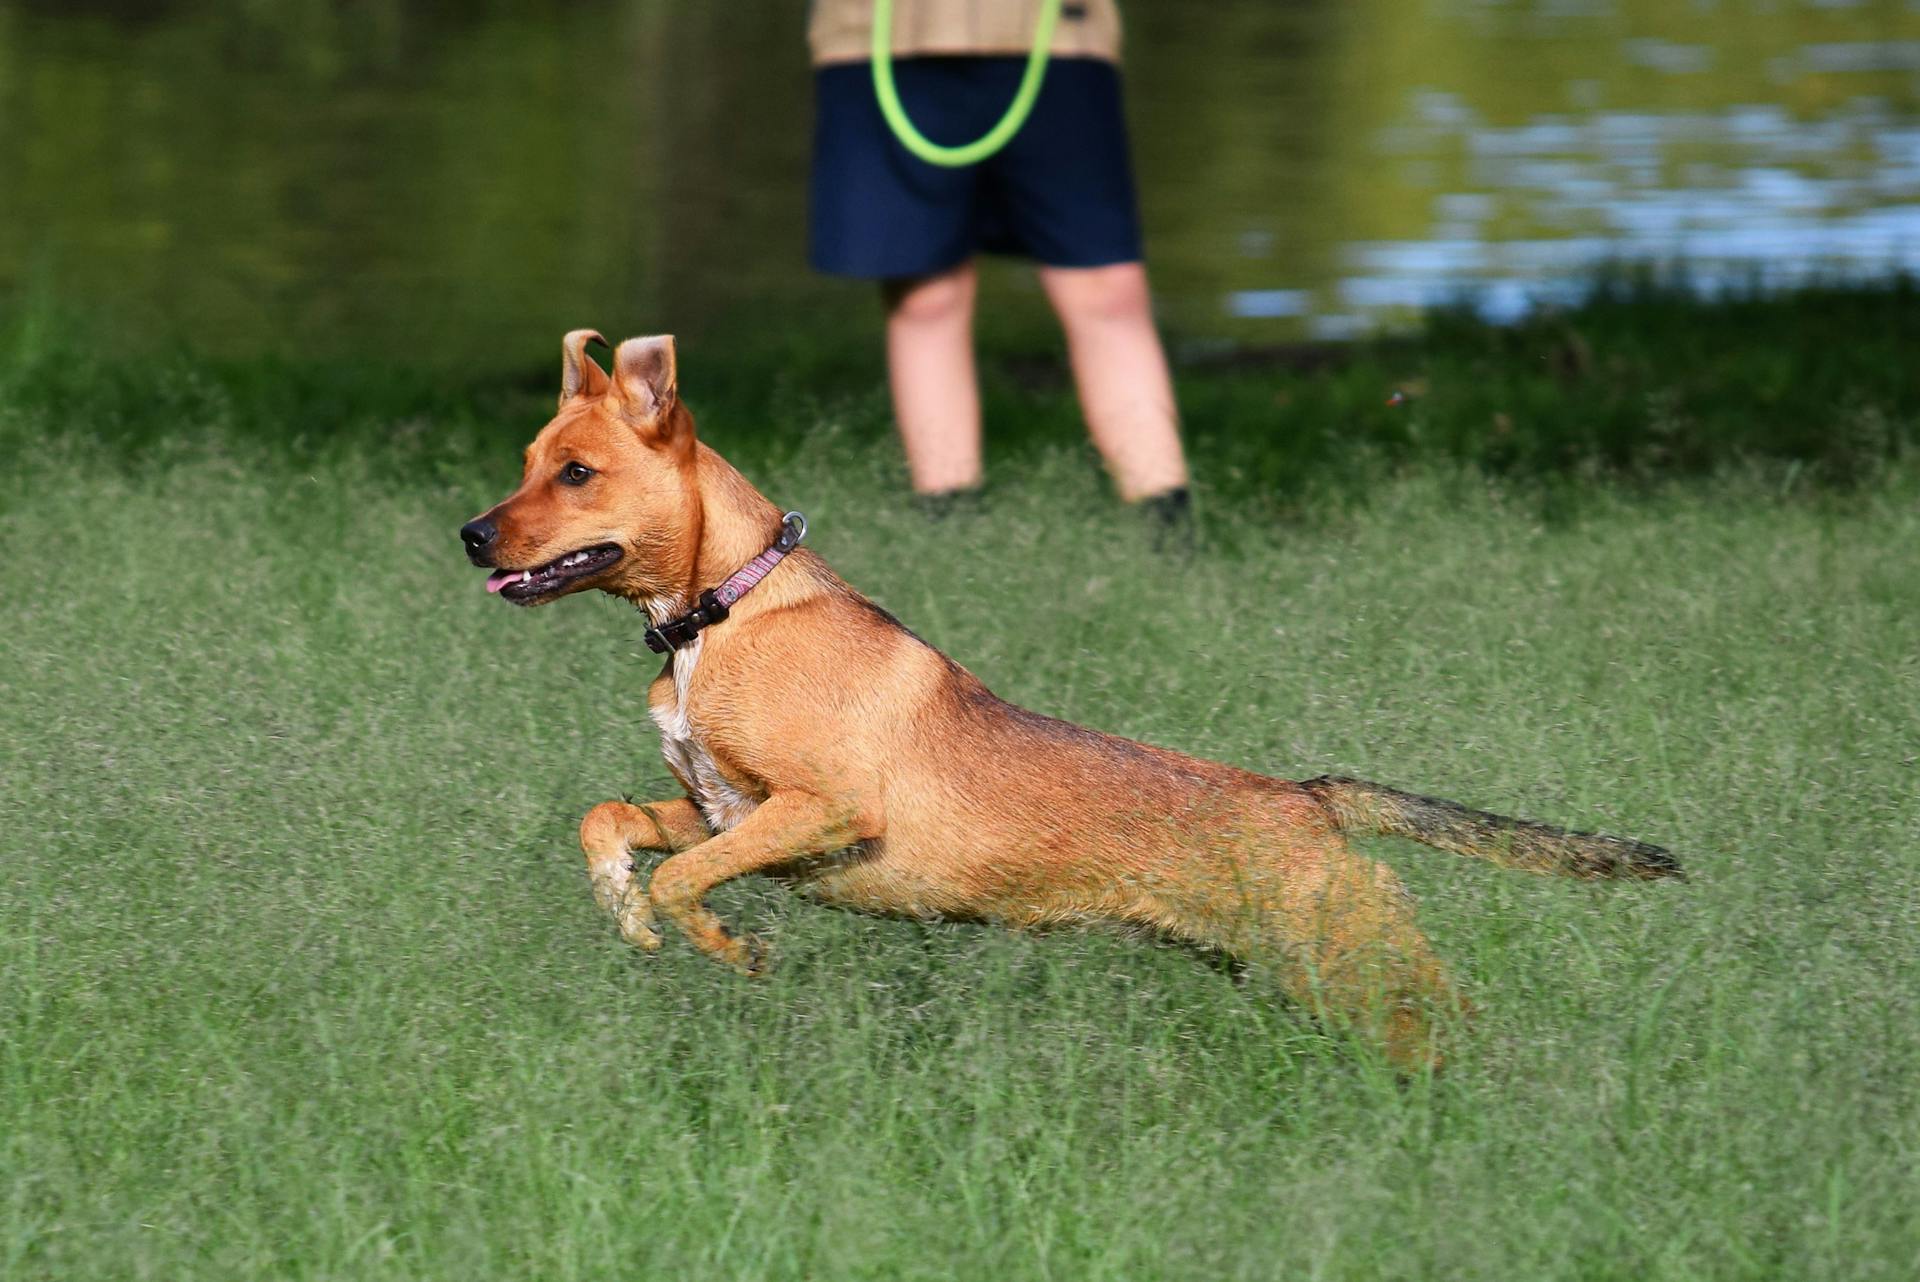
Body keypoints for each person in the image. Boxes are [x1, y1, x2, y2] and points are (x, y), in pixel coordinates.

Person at [807, 0, 1191, 520]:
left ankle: (1168, 535)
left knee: (1109, 289)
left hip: (1060, 33)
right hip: (880, 34)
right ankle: (951, 530)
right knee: (927, 296)